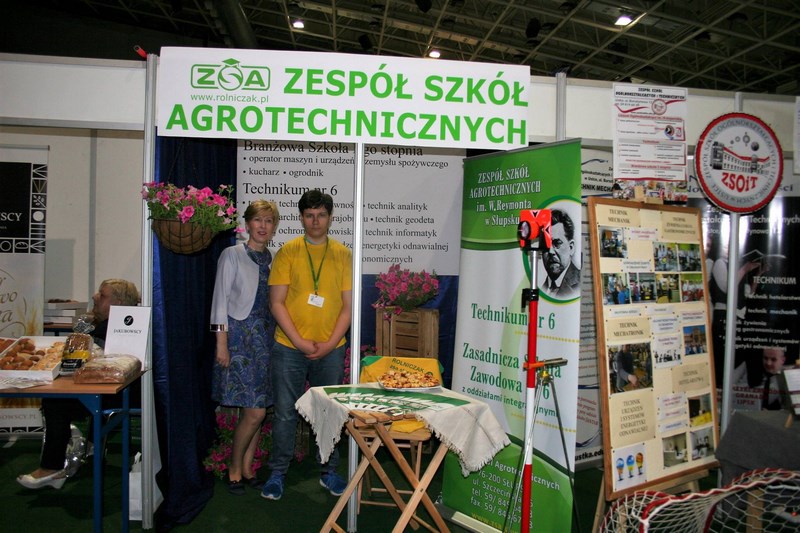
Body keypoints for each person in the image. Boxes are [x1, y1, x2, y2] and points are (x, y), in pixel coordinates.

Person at [261, 189, 352, 501]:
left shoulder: (343, 254)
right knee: (285, 413)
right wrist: (299, 342)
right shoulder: (288, 252)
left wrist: (329, 344)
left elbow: (348, 307)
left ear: (330, 217)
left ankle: (329, 471)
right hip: (288, 347)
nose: (315, 221)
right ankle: (277, 473)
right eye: (309, 215)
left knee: (328, 412)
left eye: (321, 215)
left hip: (331, 349)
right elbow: (276, 303)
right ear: (301, 218)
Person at [17, 279, 141, 490]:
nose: (94, 297)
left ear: (118, 303)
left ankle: (53, 466)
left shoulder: (111, 330)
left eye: (102, 295)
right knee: (58, 400)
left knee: (56, 402)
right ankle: (79, 451)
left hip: (118, 392)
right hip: (113, 389)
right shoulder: (108, 325)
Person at [210, 200, 279, 495]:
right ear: (248, 224)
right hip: (239, 340)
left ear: (274, 227)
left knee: (256, 409)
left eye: (268, 221)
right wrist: (221, 344)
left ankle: (249, 469)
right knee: (255, 412)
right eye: (258, 220)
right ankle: (234, 469)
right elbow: (219, 301)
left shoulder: (274, 259)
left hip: (266, 340)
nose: (263, 226)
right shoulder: (232, 255)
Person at [541, 209, 581, 299]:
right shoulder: (540, 288)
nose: (550, 251)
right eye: (546, 244)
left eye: (557, 243)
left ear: (571, 247)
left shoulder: (581, 284)